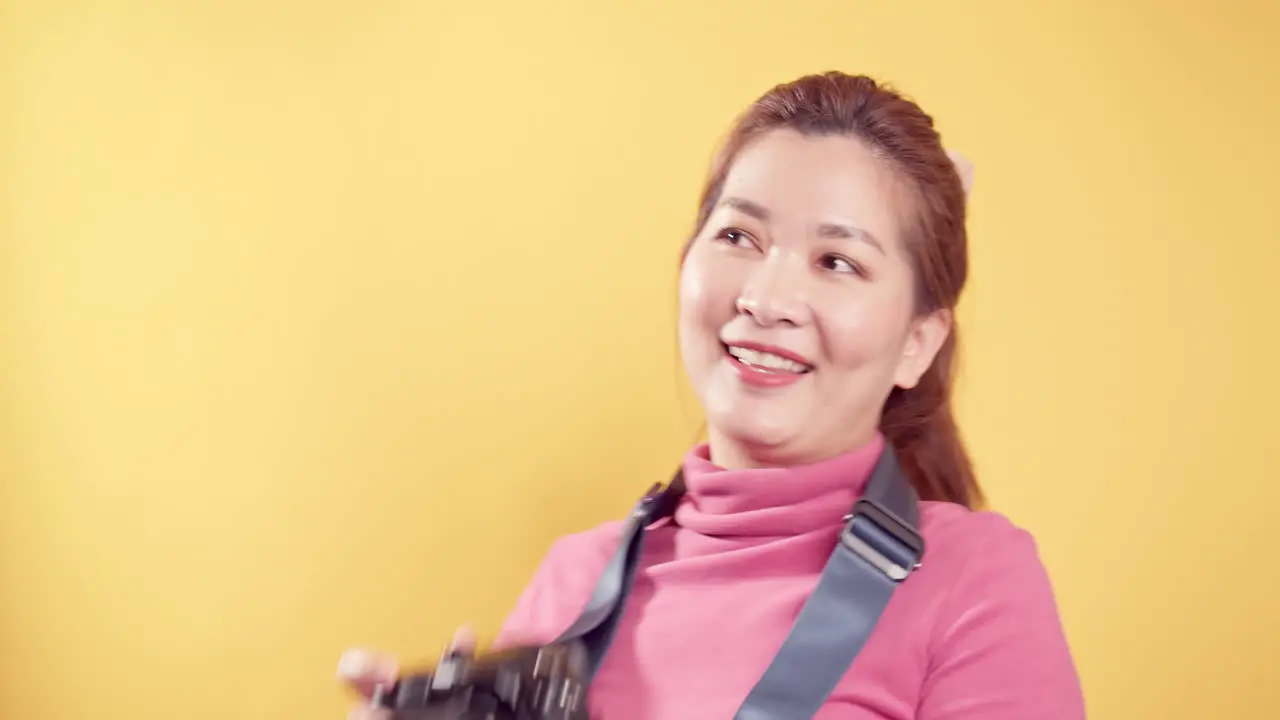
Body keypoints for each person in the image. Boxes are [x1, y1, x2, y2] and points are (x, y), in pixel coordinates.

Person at [338, 71, 1086, 719]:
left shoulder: (972, 579)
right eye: (738, 238)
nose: (767, 297)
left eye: (837, 261)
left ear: (918, 341)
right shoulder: (574, 579)